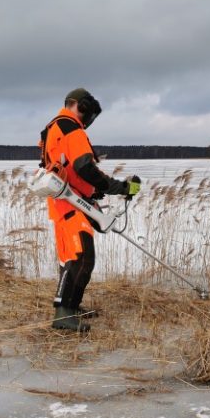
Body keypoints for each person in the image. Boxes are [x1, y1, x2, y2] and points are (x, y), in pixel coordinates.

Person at [40, 88, 141, 332]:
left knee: (75, 257)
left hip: (68, 200)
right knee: (80, 257)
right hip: (69, 203)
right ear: (80, 106)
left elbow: (71, 169)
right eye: (90, 115)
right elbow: (85, 167)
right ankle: (63, 315)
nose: (89, 121)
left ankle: (71, 307)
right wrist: (119, 187)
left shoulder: (53, 128)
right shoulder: (71, 128)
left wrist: (93, 193)